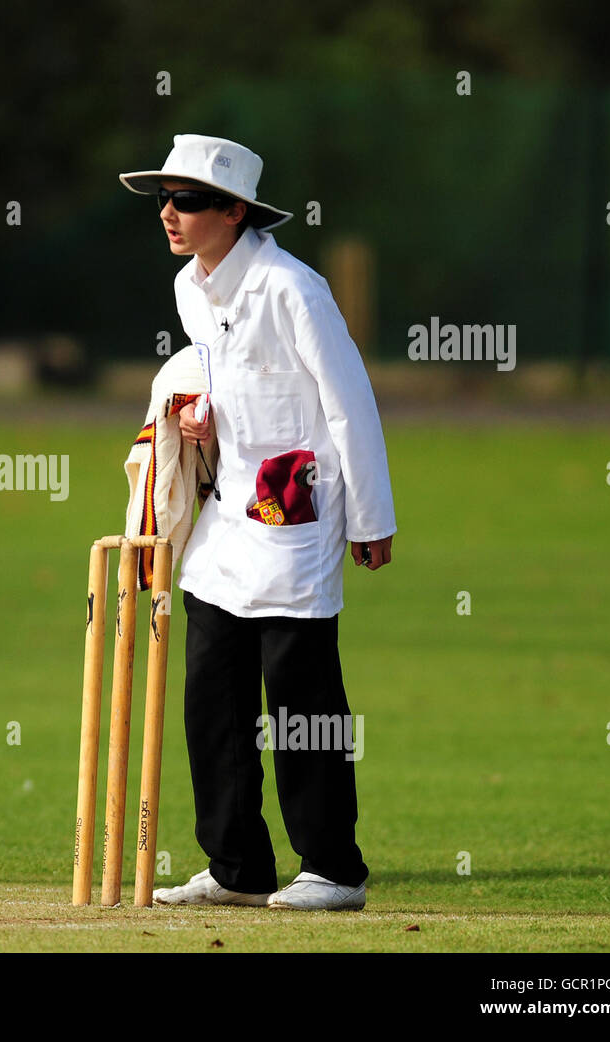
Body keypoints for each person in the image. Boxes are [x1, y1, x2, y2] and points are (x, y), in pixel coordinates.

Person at [118, 135, 395, 910]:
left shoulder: (293, 289)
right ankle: (236, 866)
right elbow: (219, 374)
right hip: (224, 516)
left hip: (296, 507)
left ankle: (334, 870)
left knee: (302, 699)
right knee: (211, 693)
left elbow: (350, 403)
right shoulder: (188, 287)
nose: (170, 214)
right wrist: (204, 416)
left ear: (234, 211)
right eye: (165, 200)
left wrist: (371, 517)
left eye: (189, 201)